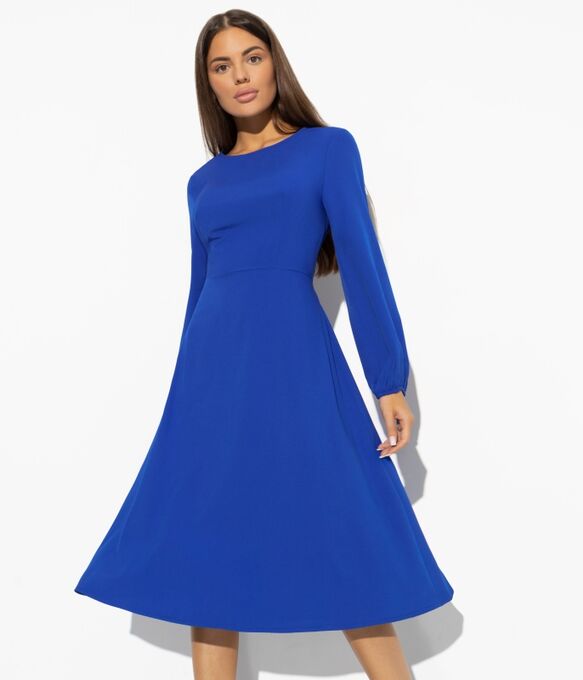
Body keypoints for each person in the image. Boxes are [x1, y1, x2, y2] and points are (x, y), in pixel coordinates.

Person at [74, 9, 454, 679]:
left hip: (294, 364)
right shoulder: (203, 182)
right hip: (210, 377)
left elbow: (363, 266)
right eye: (222, 66)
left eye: (252, 57)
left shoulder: (328, 149)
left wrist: (387, 380)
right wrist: (183, 402)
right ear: (210, 85)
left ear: (274, 62)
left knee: (344, 533)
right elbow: (200, 293)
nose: (240, 75)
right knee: (206, 552)